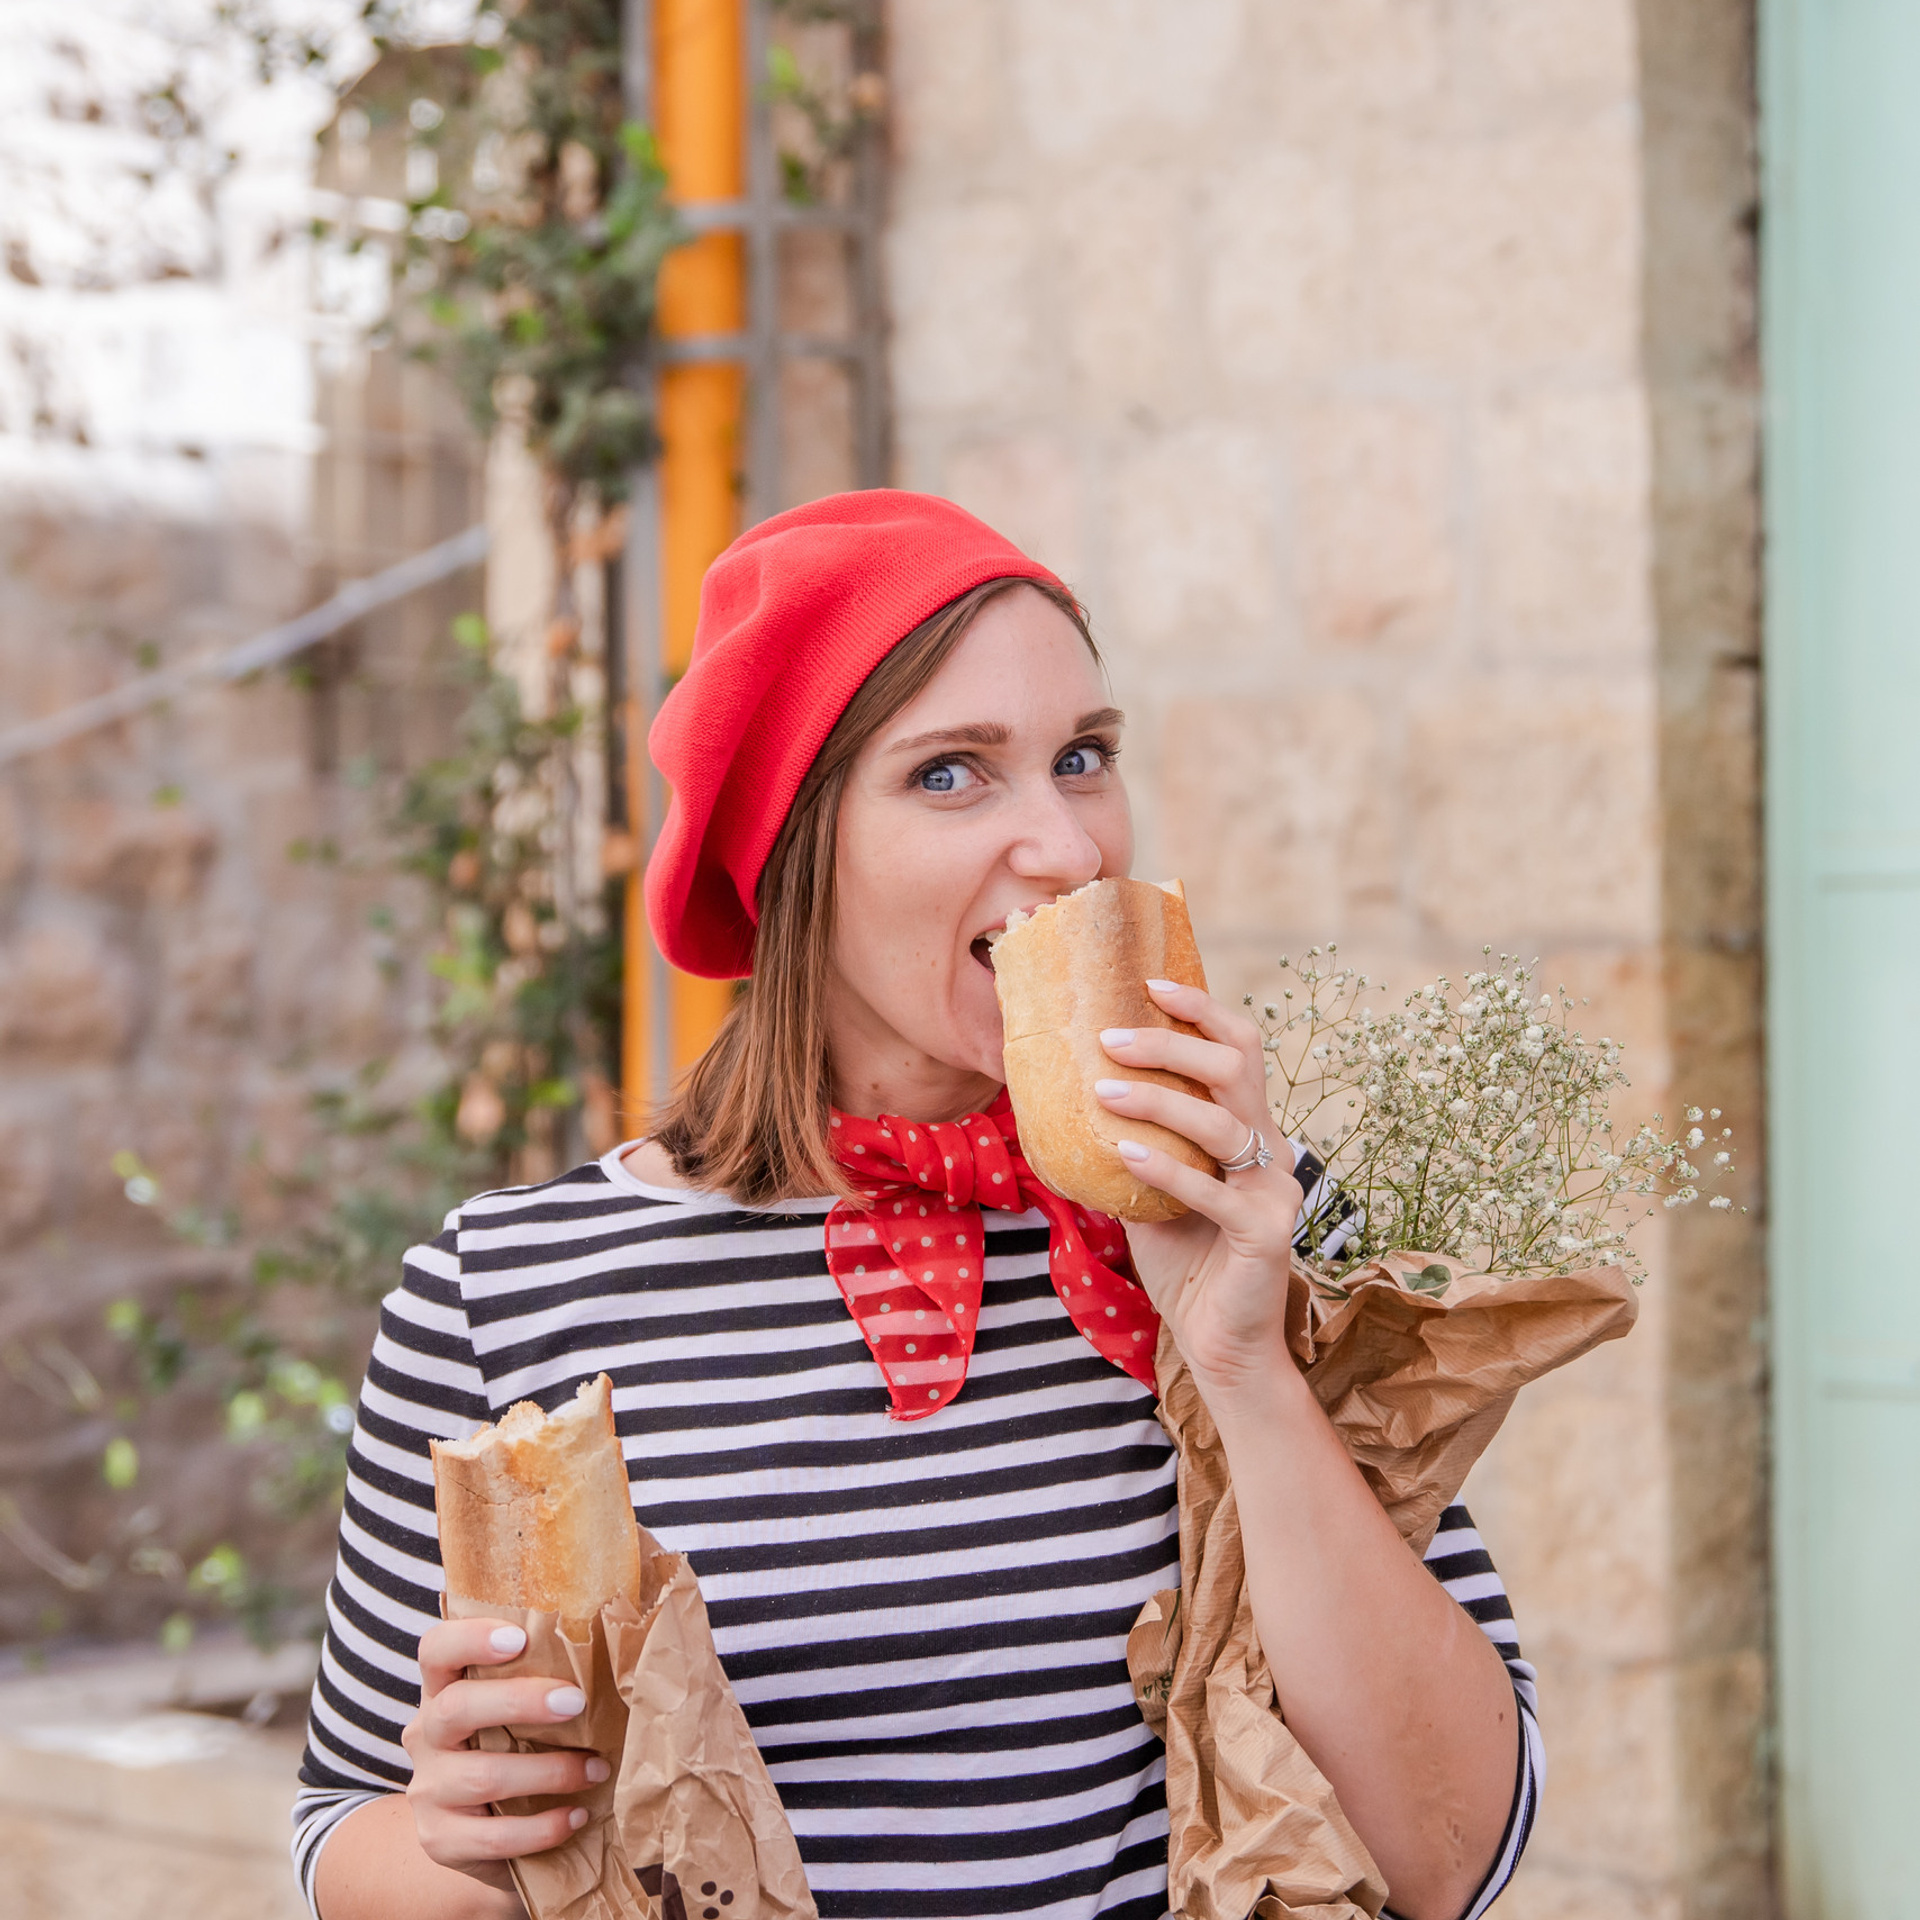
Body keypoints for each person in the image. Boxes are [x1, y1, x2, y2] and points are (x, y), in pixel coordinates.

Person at [293, 492, 1542, 1920]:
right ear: (792, 849)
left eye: (1084, 759)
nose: (1068, 848)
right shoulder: (507, 1287)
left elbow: (1454, 1854)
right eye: (952, 774)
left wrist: (1244, 1365)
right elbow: (341, 1829)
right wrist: (471, 1848)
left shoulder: (1259, 1215)